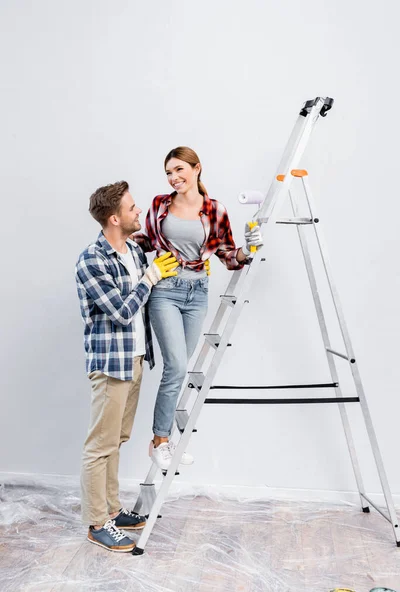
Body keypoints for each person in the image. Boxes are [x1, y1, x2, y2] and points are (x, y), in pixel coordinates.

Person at [134, 147, 263, 470]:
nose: (173, 177)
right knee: (176, 366)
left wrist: (249, 249)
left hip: (198, 293)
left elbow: (230, 258)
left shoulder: (215, 210)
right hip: (165, 290)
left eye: (179, 170)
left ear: (197, 169)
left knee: (182, 368)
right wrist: (115, 238)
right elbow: (144, 242)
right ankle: (160, 442)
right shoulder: (159, 205)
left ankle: (163, 440)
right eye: (168, 172)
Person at [75, 180, 178, 552]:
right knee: (99, 446)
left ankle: (113, 511)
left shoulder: (133, 252)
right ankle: (96, 523)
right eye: (133, 208)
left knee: (115, 441)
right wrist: (151, 279)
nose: (139, 213)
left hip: (134, 358)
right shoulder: (92, 260)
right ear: (115, 218)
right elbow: (120, 311)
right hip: (110, 364)